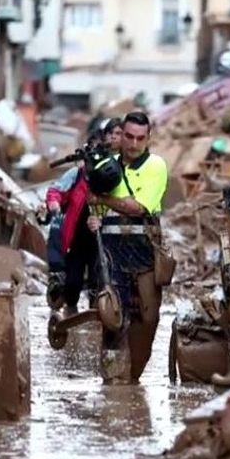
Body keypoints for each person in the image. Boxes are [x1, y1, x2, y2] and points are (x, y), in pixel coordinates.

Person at [87, 111, 168, 384]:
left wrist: (103, 199)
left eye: (140, 138)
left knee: (148, 316)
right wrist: (94, 215)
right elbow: (93, 204)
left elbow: (138, 207)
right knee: (111, 315)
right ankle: (113, 380)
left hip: (144, 247)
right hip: (110, 248)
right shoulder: (106, 167)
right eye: (129, 137)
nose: (134, 144)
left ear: (148, 138)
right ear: (120, 135)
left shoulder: (156, 166)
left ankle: (133, 377)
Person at [45, 118, 122, 314]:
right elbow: (57, 191)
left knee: (99, 282)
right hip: (77, 239)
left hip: (102, 239)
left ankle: (98, 318)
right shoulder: (76, 175)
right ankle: (70, 313)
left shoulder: (113, 176)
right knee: (73, 282)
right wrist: (53, 202)